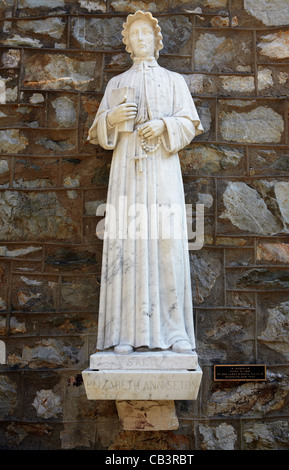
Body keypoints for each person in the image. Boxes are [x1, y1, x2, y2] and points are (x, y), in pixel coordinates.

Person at [88, 11, 203, 355]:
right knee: (128, 244)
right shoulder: (116, 85)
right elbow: (97, 131)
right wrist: (112, 118)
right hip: (127, 172)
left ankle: (175, 332)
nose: (140, 38)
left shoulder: (173, 81)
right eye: (134, 34)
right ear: (128, 44)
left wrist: (165, 125)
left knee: (167, 243)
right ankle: (124, 333)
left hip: (163, 169)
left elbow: (190, 121)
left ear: (156, 40)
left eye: (145, 33)